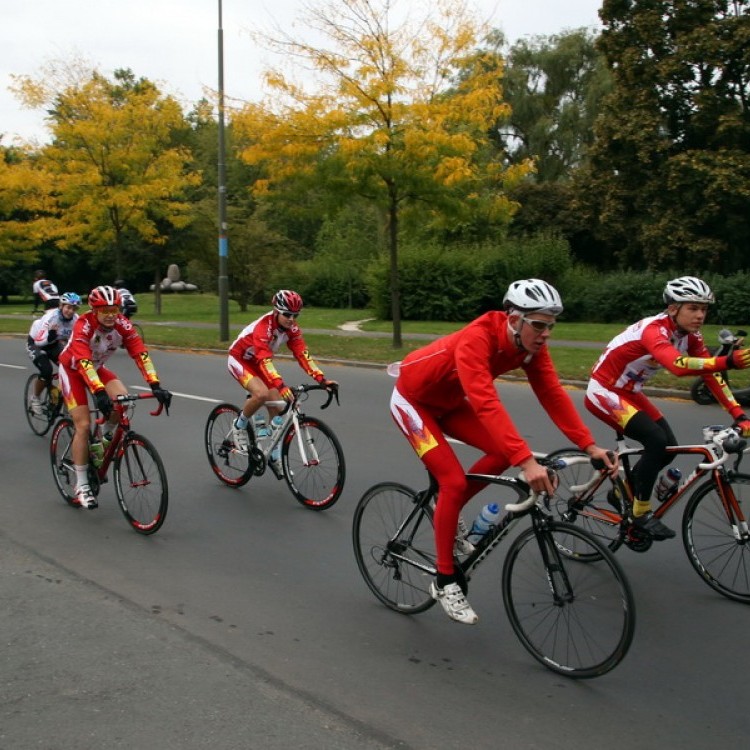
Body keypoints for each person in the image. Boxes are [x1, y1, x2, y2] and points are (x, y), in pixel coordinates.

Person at [389, 279, 618, 625]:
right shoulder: (477, 338)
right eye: (538, 325)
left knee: (500, 453)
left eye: (550, 326)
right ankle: (445, 580)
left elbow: (552, 394)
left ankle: (445, 514)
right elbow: (485, 402)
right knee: (452, 480)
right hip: (413, 402)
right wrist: (525, 461)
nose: (545, 335)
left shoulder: (530, 348)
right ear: (514, 318)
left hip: (449, 403)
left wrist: (589, 445)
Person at [585, 276, 750, 541]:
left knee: (668, 446)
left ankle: (621, 492)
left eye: (704, 309)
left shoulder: (690, 336)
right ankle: (640, 514)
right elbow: (678, 365)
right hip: (604, 390)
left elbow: (710, 376)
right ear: (673, 308)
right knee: (655, 439)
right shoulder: (655, 330)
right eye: (692, 308)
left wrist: (739, 414)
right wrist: (727, 361)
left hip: (630, 392)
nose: (699, 315)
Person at [57, 285, 172, 509]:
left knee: (124, 401)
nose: (111, 315)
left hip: (96, 368)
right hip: (73, 369)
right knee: (83, 424)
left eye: (114, 309)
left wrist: (155, 384)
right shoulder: (84, 325)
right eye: (105, 310)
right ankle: (81, 484)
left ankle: (103, 441)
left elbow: (140, 353)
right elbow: (83, 361)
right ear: (94, 310)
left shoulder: (122, 324)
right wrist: (98, 391)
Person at [227, 289, 338, 476]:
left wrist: (322, 379)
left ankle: (273, 454)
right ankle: (239, 425)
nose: (291, 319)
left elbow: (303, 355)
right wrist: (280, 385)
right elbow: (264, 361)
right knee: (261, 394)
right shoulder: (264, 328)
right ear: (276, 311)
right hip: (241, 360)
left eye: (295, 315)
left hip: (260, 363)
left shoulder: (292, 329)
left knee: (279, 407)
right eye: (287, 314)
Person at [26, 292, 81, 414]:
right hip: (37, 343)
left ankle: (56, 395)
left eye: (74, 308)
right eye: (68, 307)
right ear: (61, 306)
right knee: (47, 371)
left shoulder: (76, 320)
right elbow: (39, 342)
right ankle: (35, 398)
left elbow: (77, 340)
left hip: (54, 343)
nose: (70, 311)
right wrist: (50, 337)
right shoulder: (51, 318)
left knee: (70, 367)